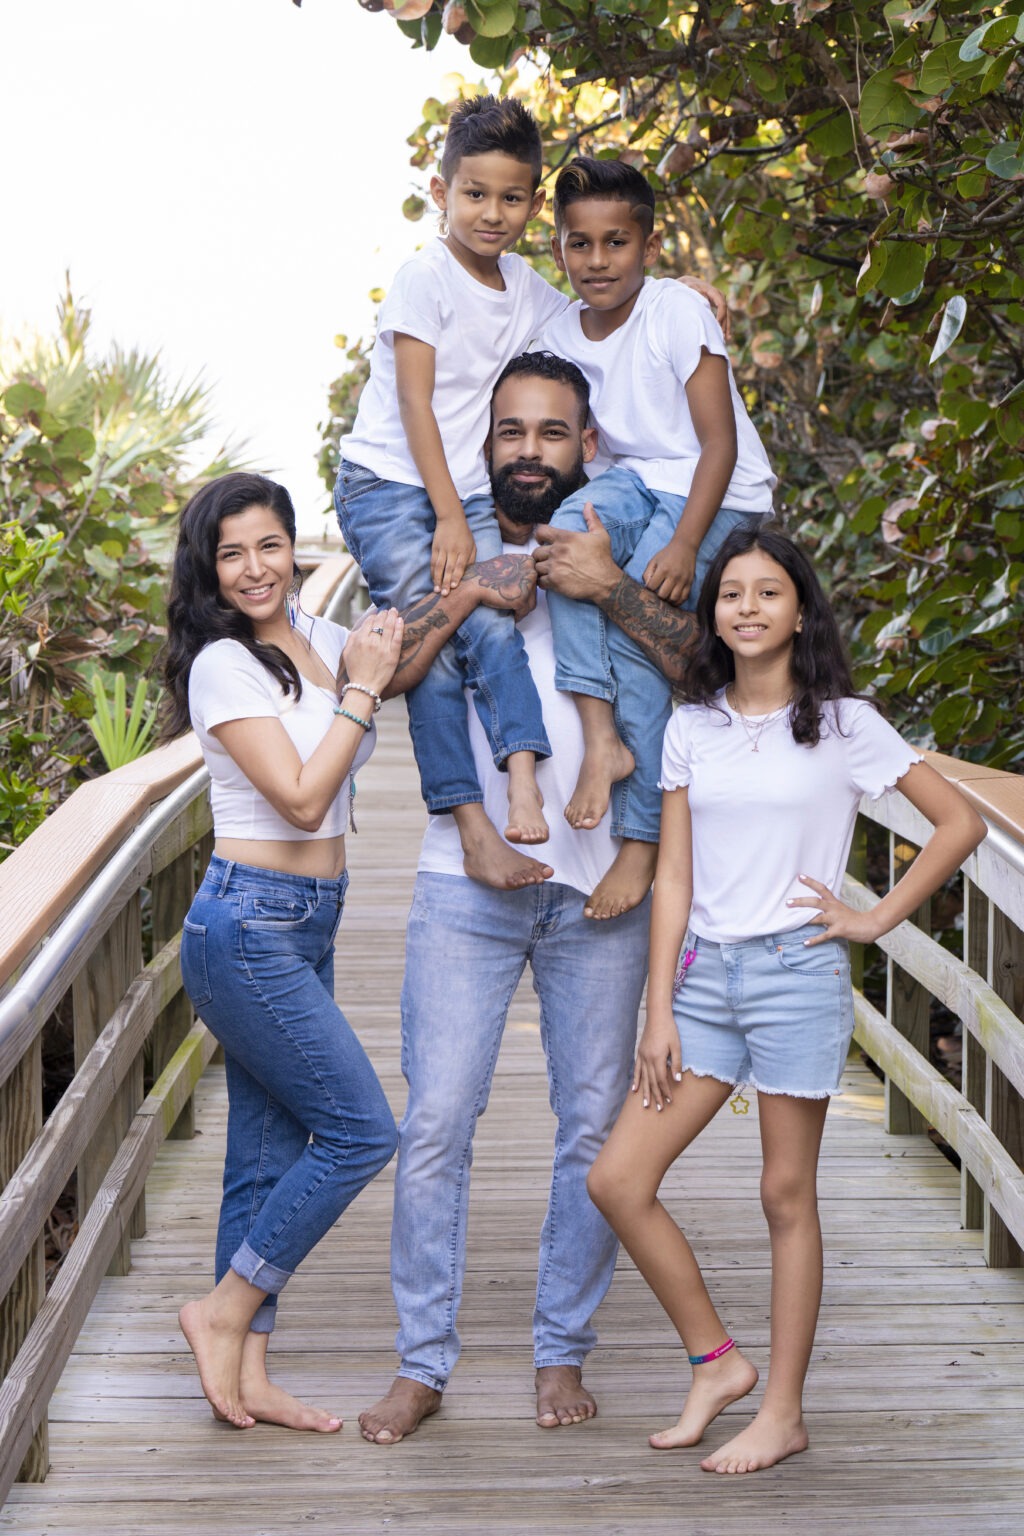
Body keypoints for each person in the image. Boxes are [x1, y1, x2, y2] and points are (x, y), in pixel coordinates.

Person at [586, 522, 986, 1475]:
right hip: (707, 980)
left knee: (783, 1192)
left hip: (798, 971)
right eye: (732, 594)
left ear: (799, 607)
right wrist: (659, 1009)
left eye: (769, 592)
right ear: (713, 615)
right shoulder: (693, 727)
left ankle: (783, 1410)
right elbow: (673, 879)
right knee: (618, 1181)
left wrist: (875, 916)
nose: (749, 608)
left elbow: (959, 821)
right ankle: (717, 1362)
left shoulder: (846, 723)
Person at [356, 352, 703, 1447]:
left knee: (588, 1127)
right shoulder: (441, 552)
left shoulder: (624, 548)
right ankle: (422, 1364)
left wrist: (611, 592)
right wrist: (470, 592)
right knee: (438, 1124)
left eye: (553, 434)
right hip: (463, 885)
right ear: (487, 446)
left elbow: (713, 663)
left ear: (586, 448)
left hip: (603, 891)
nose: (530, 452)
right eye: (511, 433)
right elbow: (386, 672)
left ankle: (561, 1349)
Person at [162, 472, 525, 1435]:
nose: (255, 569)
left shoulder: (314, 640)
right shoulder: (223, 666)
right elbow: (301, 796)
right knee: (362, 1131)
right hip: (247, 924)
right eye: (231, 553)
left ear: (295, 546)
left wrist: (471, 594)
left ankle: (247, 1374)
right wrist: (362, 684)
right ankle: (223, 1311)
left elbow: (392, 661)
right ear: (208, 567)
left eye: (270, 546)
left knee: (264, 1151)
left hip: (310, 916)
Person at [335, 101, 728, 881]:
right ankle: (470, 823)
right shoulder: (425, 277)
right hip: (390, 485)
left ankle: (520, 778)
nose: (491, 213)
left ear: (534, 205)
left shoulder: (526, 289)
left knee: (489, 624)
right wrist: (449, 515)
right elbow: (416, 404)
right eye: (473, 194)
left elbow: (602, 300)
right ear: (441, 189)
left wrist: (675, 287)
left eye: (511, 198)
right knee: (437, 647)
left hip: (461, 491)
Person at [537, 156, 777, 908]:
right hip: (638, 479)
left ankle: (639, 841)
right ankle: (601, 737)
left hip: (716, 490)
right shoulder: (556, 327)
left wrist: (682, 544)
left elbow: (721, 443)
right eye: (581, 243)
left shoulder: (676, 311)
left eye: (617, 243)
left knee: (634, 614)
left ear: (647, 244)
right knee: (564, 540)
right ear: (559, 248)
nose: (598, 260)